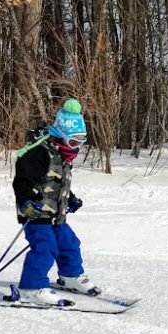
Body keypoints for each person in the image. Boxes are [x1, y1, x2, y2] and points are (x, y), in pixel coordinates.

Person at [11, 98, 99, 304]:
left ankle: (70, 276)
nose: (78, 147)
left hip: (56, 213)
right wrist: (26, 203)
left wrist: (70, 199)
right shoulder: (38, 154)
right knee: (45, 247)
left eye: (81, 141)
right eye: (74, 141)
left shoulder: (61, 156)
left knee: (69, 243)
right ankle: (31, 288)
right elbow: (23, 182)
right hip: (36, 213)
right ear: (62, 136)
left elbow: (57, 183)